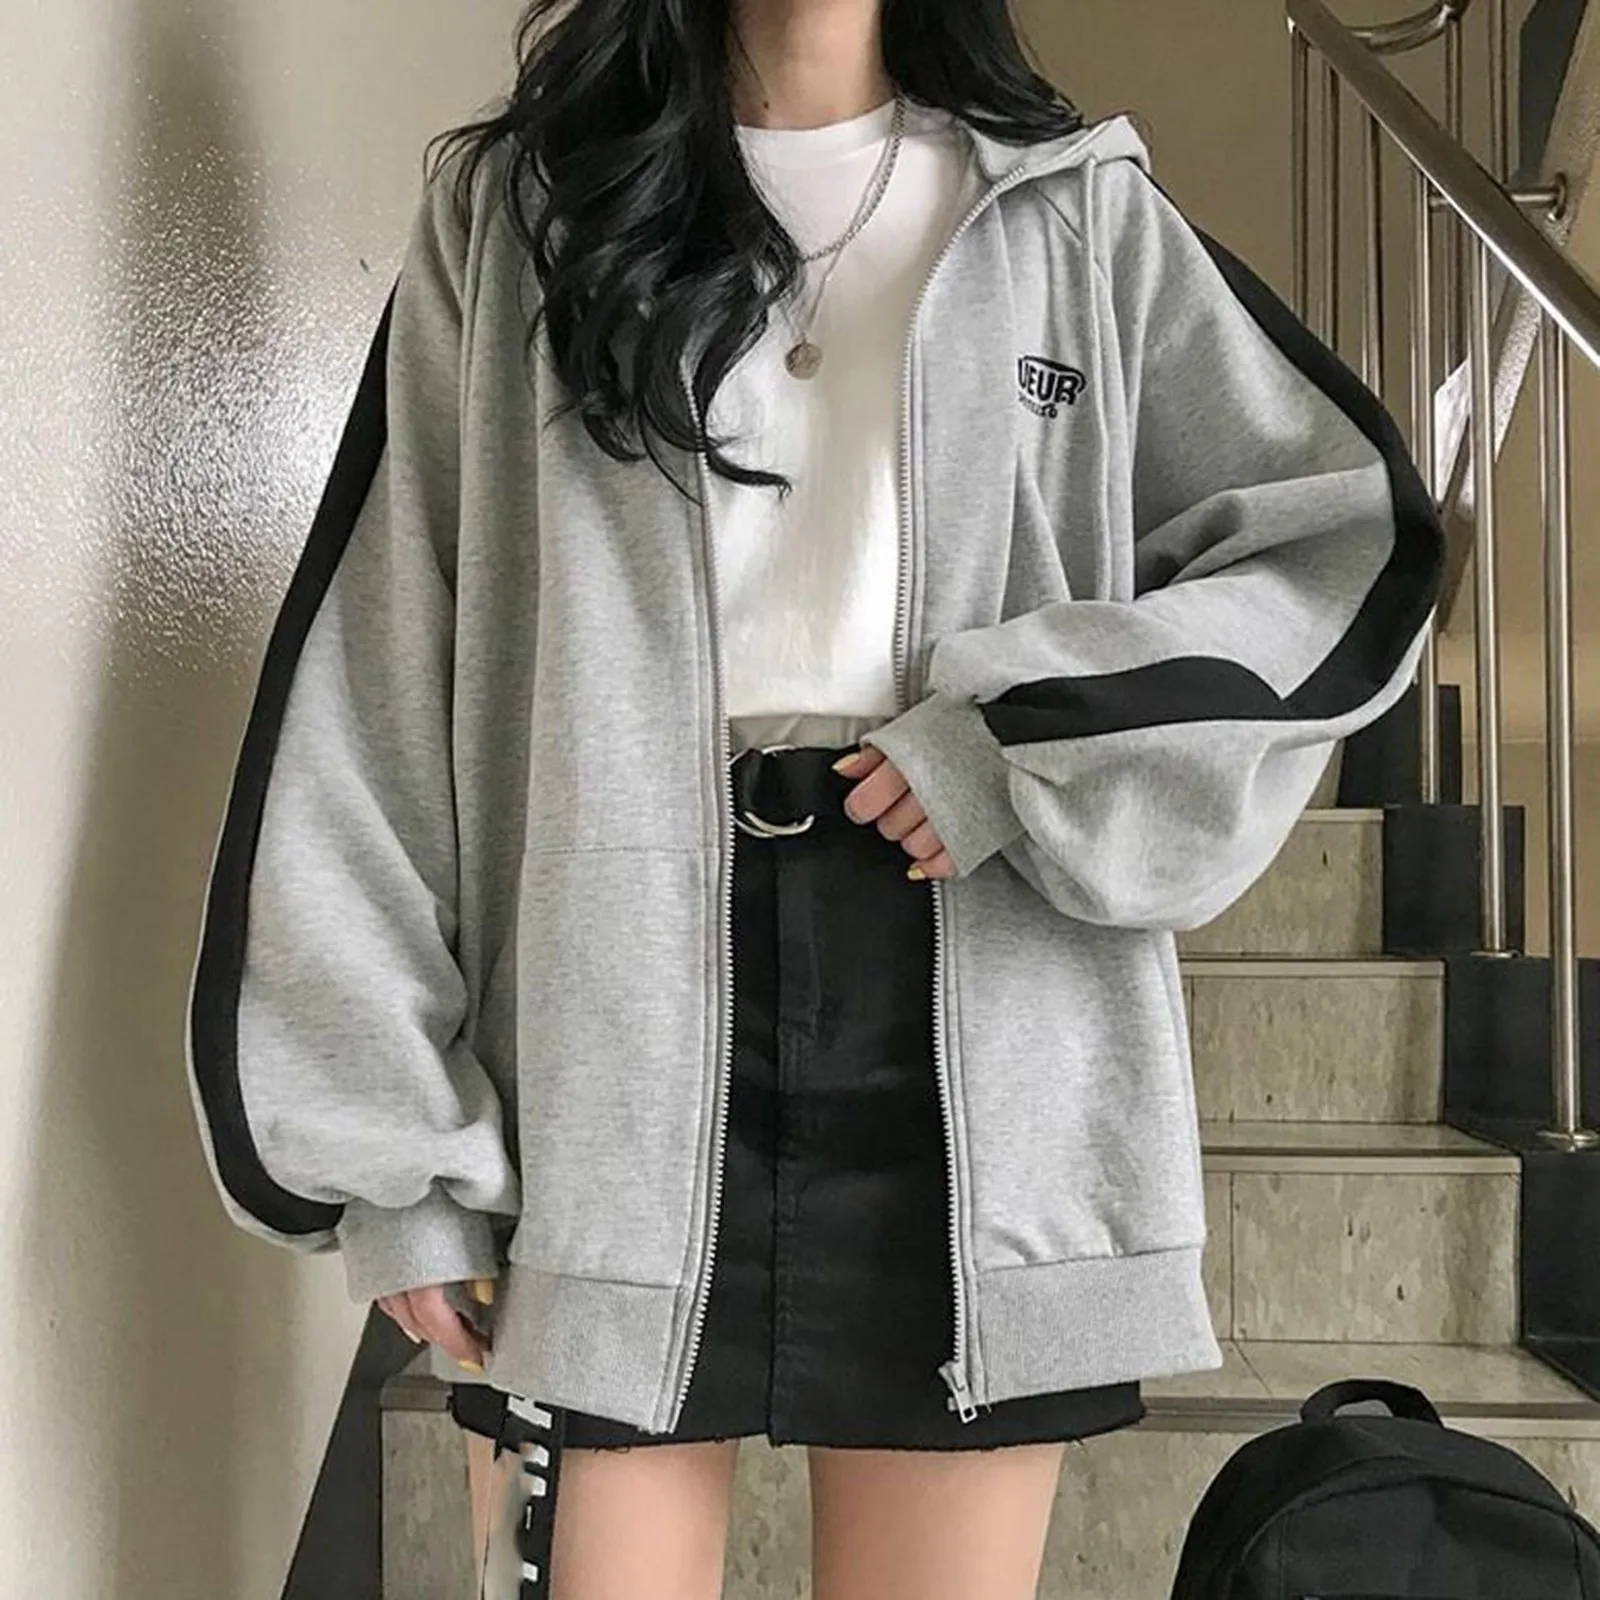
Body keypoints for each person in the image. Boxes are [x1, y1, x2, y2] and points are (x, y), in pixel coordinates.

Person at [183, 0, 1445, 1593]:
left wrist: (1021, 737)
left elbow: (1342, 544)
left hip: (978, 994)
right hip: (607, 1025)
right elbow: (377, 681)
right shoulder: (524, 219)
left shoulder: (1075, 211)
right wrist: (398, 1166)